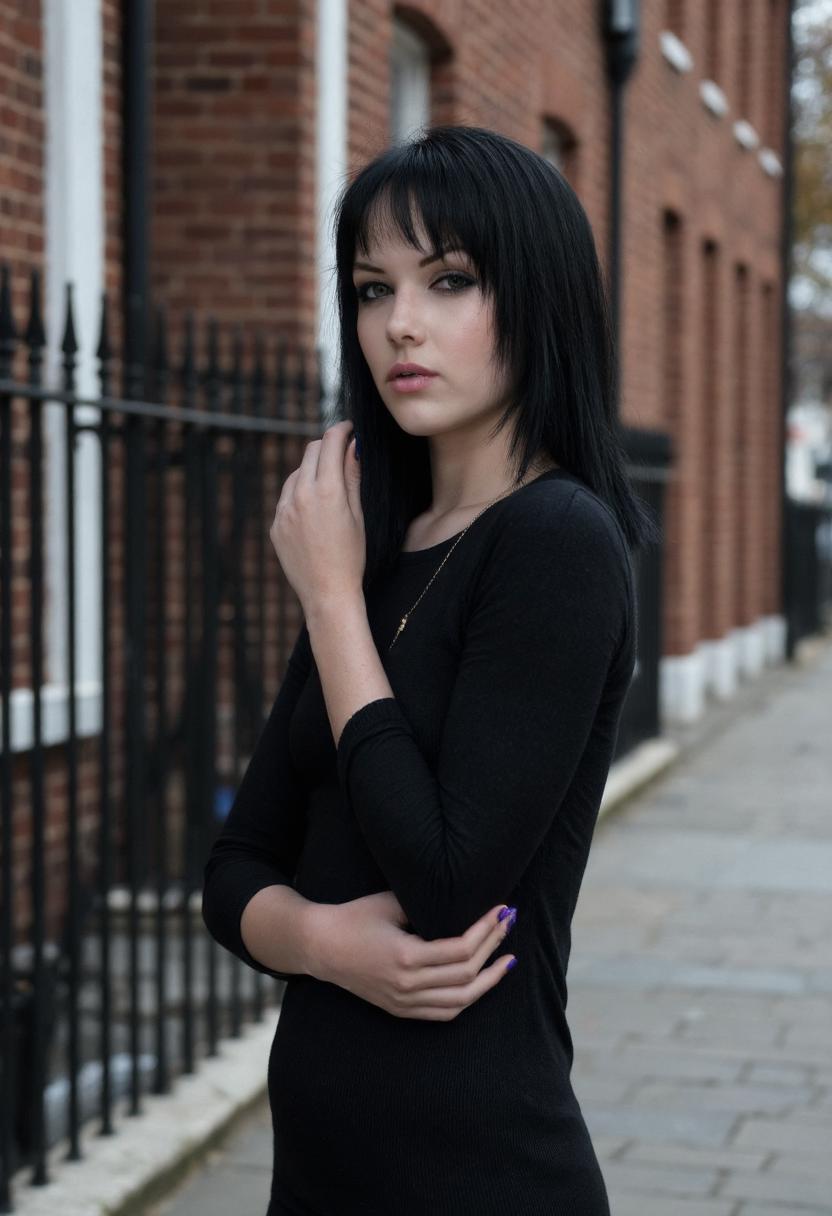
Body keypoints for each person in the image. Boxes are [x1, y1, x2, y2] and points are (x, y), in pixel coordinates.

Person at [202, 124, 657, 1216]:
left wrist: (326, 600)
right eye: (370, 287)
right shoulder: (374, 540)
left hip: (478, 1173)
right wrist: (321, 940)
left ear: (535, 296)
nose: (397, 322)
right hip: (321, 1175)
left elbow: (448, 880)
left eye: (448, 279)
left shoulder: (556, 541)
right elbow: (232, 870)